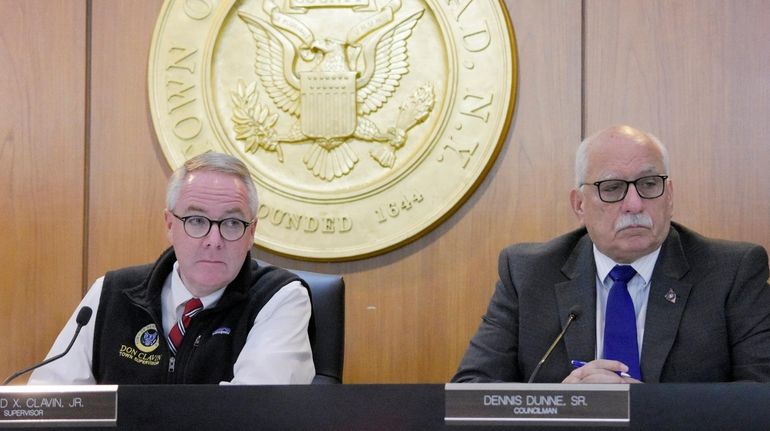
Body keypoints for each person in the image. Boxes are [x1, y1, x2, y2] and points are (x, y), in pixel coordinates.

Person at [452, 125, 770, 384]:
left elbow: (760, 394)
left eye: (648, 184)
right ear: (579, 205)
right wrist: (560, 406)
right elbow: (471, 390)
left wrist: (652, 410)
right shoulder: (528, 273)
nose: (634, 204)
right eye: (612, 188)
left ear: (669, 195)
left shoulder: (732, 272)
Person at [29, 152, 315, 384]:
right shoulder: (112, 293)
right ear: (170, 224)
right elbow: (52, 401)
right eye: (197, 221)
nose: (213, 241)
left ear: (251, 232)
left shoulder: (279, 298)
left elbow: (251, 413)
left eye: (231, 223)